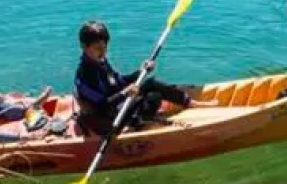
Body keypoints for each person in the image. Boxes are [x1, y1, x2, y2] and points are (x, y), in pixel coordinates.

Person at [73, 20, 208, 134]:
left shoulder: (100, 61)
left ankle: (185, 103)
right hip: (108, 117)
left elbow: (119, 81)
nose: (103, 52)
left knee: (154, 94)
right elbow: (101, 106)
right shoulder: (84, 75)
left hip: (119, 107)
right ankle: (141, 124)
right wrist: (124, 93)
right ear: (84, 47)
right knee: (151, 87)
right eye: (98, 48)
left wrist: (141, 71)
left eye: (105, 47)